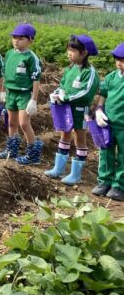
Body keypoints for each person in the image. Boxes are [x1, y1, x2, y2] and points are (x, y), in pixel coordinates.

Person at [45, 35, 100, 185]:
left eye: (73, 51)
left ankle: (76, 174)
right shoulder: (70, 69)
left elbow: (85, 92)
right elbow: (62, 85)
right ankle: (58, 168)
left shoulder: (89, 72)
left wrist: (66, 97)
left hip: (80, 110)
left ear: (84, 53)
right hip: (66, 108)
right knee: (64, 135)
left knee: (80, 138)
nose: (69, 53)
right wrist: (57, 93)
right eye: (68, 50)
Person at [0, 24, 43, 165]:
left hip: (24, 94)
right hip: (11, 92)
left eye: (21, 38)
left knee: (24, 123)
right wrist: (3, 91)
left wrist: (33, 100)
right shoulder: (10, 54)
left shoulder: (31, 58)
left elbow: (36, 79)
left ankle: (32, 153)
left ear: (30, 40)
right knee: (11, 122)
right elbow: (4, 73)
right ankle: (12, 150)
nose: (16, 41)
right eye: (14, 38)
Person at [91, 43, 124, 201]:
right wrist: (98, 110)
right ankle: (105, 181)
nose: (120, 63)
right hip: (108, 123)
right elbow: (103, 95)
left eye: (123, 60)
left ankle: (120, 186)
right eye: (117, 59)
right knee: (105, 152)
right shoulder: (111, 77)